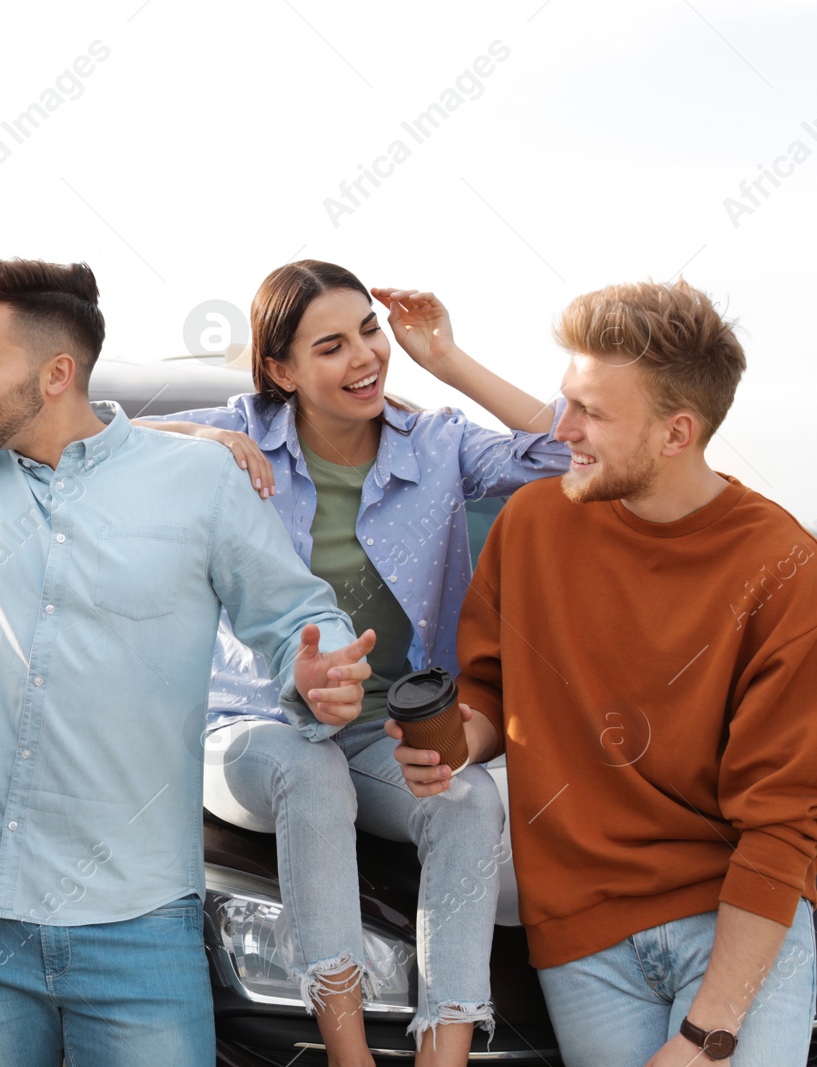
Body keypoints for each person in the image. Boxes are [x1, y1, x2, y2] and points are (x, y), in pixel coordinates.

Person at [0, 36, 378, 1067]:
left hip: (140, 935)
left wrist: (320, 668)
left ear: (57, 372)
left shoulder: (199, 482)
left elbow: (295, 616)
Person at [139, 265, 569, 1065]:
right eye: (330, 345)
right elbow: (83, 439)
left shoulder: (435, 444)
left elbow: (565, 454)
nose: (365, 355)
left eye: (369, 329)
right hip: (249, 724)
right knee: (310, 772)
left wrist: (448, 358)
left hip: (381, 732)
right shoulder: (239, 434)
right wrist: (202, 439)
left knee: (469, 801)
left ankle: (444, 1056)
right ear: (281, 370)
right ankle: (348, 1052)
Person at [394, 280, 817, 1066]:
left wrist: (707, 1033)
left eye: (591, 413)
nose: (565, 429)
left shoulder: (785, 567)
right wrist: (452, 741)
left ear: (676, 433)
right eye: (567, 403)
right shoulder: (530, 526)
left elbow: (784, 822)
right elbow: (490, 691)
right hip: (583, 941)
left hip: (729, 920)